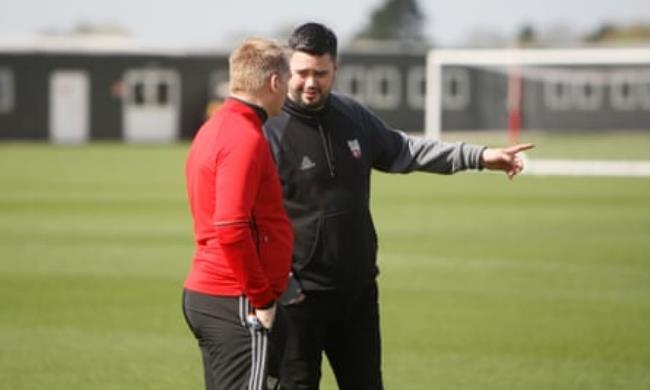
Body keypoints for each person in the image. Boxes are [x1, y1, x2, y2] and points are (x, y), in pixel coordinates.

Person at [263, 22, 534, 389]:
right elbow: (251, 217)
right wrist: (284, 286)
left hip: (357, 294)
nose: (311, 82)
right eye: (302, 73)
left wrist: (480, 156)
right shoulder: (269, 130)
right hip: (298, 302)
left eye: (321, 73)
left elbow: (407, 150)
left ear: (336, 69)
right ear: (286, 70)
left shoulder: (353, 116)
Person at [182, 38, 293, 390]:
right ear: (274, 82)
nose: (289, 91)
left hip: (213, 294)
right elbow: (230, 227)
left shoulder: (213, 128)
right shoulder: (243, 136)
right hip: (237, 299)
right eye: (287, 81)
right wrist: (262, 299)